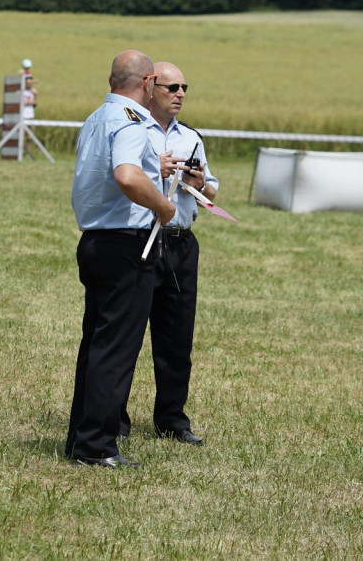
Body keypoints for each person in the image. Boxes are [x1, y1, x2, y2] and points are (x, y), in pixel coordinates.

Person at [65, 50, 176, 469]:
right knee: (116, 349)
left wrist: (152, 166)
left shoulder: (97, 118)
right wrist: (163, 206)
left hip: (95, 241)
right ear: (147, 82)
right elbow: (126, 176)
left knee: (96, 344)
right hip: (126, 246)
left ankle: (81, 438)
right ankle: (97, 446)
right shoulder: (133, 121)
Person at [119, 61, 218, 447]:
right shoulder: (132, 130)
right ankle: (115, 419)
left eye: (184, 88)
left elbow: (212, 192)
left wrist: (200, 183)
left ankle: (173, 420)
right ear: (150, 87)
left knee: (177, 339)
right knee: (126, 336)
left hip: (180, 243)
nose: (179, 94)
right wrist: (153, 169)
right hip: (141, 240)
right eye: (171, 87)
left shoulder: (191, 137)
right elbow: (121, 177)